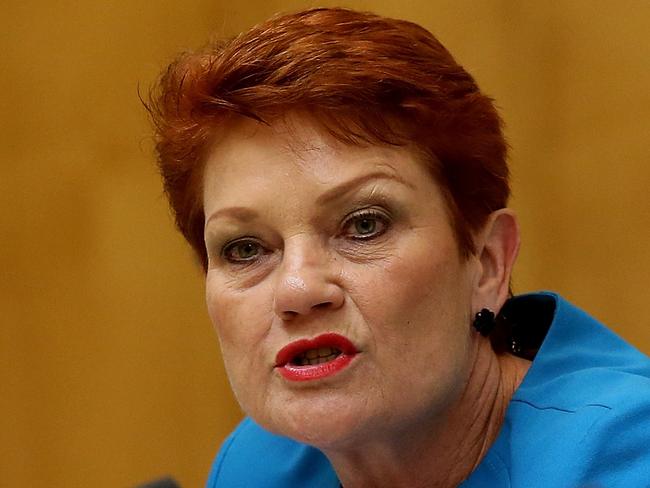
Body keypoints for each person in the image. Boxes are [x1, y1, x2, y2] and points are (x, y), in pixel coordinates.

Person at [147, 7, 650, 487]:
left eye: (364, 225)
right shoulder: (262, 467)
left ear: (487, 265)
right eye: (245, 249)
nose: (298, 289)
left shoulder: (626, 458)